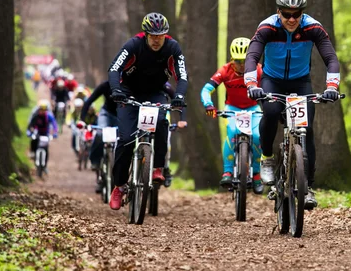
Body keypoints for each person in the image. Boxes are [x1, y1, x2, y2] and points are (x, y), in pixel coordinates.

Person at [244, 0, 341, 209]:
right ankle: (267, 157)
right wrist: (251, 84)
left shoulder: (312, 28)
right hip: (272, 81)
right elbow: (252, 56)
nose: (291, 19)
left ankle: (308, 187)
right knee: (269, 112)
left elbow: (331, 58)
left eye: (296, 14)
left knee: (307, 130)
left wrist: (332, 87)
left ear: (302, 14)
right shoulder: (267, 27)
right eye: (286, 14)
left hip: (300, 82)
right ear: (278, 12)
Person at [107, 12, 188, 211]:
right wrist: (116, 90)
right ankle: (118, 186)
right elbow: (114, 68)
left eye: (160, 36)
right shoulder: (133, 45)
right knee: (125, 139)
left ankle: (157, 167)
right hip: (128, 93)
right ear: (145, 34)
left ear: (165, 35)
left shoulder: (173, 48)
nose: (156, 40)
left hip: (155, 93)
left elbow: (183, 76)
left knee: (162, 122)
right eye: (152, 36)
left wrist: (179, 96)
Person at [200, 37, 264, 194]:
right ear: (231, 59)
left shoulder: (258, 70)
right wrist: (208, 104)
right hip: (232, 108)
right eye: (237, 60)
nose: (241, 65)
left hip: (253, 107)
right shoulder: (225, 70)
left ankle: (256, 174)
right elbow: (207, 89)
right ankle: (227, 172)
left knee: (256, 136)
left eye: (244, 60)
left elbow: (269, 87)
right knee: (232, 133)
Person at [26, 100, 58, 165]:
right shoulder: (36, 116)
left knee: (46, 148)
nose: (42, 111)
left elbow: (54, 124)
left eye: (44, 110)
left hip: (45, 133)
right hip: (37, 132)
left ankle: (45, 165)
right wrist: (29, 131)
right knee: (34, 140)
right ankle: (32, 152)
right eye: (41, 110)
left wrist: (55, 132)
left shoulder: (49, 116)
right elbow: (31, 125)